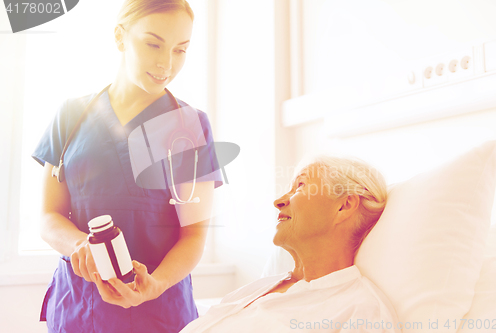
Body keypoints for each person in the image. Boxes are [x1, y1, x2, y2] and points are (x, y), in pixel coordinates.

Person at [32, 1, 222, 332]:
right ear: (120, 37)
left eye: (181, 50)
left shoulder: (190, 126)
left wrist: (157, 284)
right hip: (79, 307)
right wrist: (80, 246)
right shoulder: (71, 116)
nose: (167, 63)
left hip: (159, 311)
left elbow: (193, 236)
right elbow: (49, 217)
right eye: (153, 43)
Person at [180, 155, 401, 333]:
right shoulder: (257, 289)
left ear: (344, 206)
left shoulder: (360, 313)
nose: (278, 201)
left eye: (300, 186)